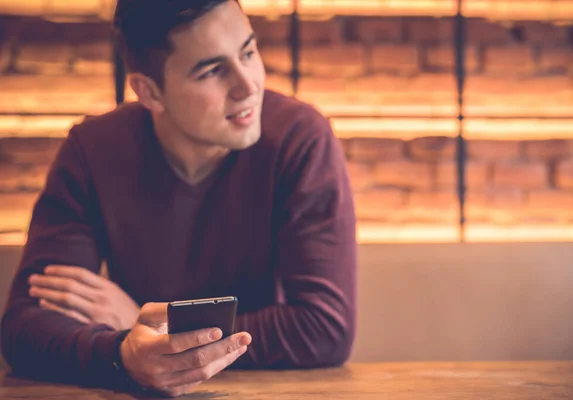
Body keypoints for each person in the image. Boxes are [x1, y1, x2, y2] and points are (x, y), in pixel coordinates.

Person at [0, 0, 357, 397]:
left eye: (249, 52)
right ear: (149, 92)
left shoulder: (299, 138)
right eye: (211, 71)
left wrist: (150, 325)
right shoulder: (93, 149)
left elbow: (325, 328)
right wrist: (124, 350)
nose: (248, 84)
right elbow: (25, 327)